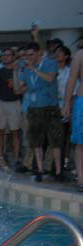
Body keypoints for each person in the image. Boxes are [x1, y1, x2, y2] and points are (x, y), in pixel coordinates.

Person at [14, 42, 63, 182]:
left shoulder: (50, 63)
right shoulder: (26, 69)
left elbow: (50, 78)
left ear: (38, 53)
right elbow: (19, 90)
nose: (28, 58)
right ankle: (40, 170)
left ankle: (58, 171)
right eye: (26, 55)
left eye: (31, 55)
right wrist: (16, 72)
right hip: (34, 108)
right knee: (36, 141)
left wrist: (34, 69)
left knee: (55, 140)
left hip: (51, 107)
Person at [0, 49, 22, 165]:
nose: (5, 57)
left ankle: (16, 158)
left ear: (13, 57)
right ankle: (0, 156)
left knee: (15, 132)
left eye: (8, 55)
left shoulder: (19, 71)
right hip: (0, 103)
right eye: (4, 55)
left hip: (14, 103)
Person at [63, 48, 83, 190]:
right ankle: (81, 180)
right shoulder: (80, 54)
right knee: (80, 143)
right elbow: (72, 78)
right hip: (82, 101)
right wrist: (66, 102)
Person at [55, 46, 73, 170]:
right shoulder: (51, 70)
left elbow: (73, 93)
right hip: (49, 107)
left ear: (66, 56)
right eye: (56, 53)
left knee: (61, 141)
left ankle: (59, 168)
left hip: (63, 108)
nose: (57, 55)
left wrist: (68, 109)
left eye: (60, 53)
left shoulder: (70, 72)